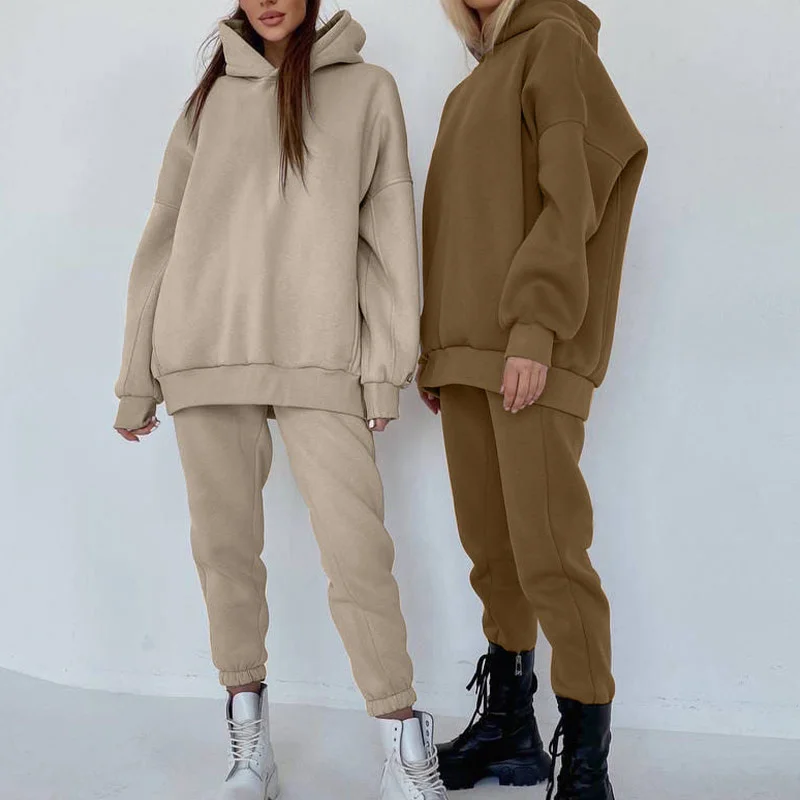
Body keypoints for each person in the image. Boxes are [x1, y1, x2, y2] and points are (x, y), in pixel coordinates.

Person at [113, 2, 447, 799]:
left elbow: (389, 233)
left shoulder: (367, 89)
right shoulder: (207, 99)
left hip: (319, 355)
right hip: (204, 349)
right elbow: (163, 234)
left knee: (357, 554)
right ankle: (250, 747)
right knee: (224, 552)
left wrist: (384, 368)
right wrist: (137, 376)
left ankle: (404, 747)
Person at [418, 0, 647, 798]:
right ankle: (511, 729)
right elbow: (455, 228)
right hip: (469, 357)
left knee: (551, 554)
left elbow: (573, 195)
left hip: (529, 350)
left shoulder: (555, 44)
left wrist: (536, 326)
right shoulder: (468, 87)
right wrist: (438, 351)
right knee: (494, 554)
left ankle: (586, 763)